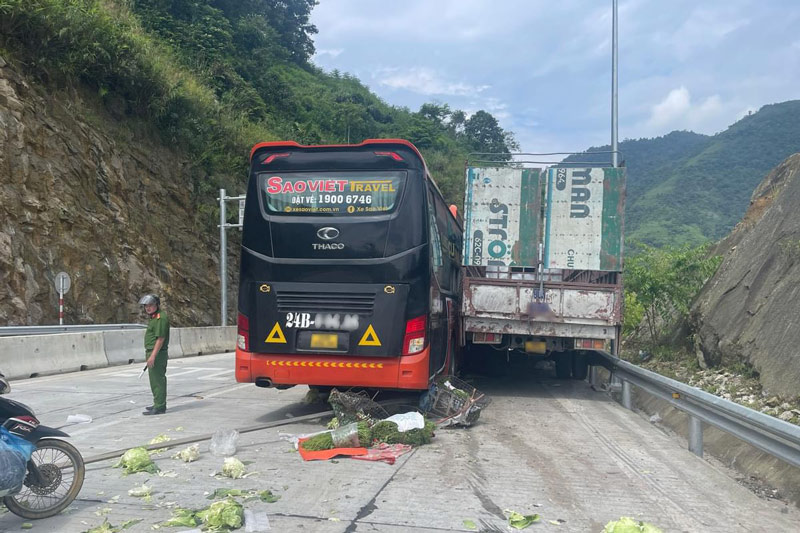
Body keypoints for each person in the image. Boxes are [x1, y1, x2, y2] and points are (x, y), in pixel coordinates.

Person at [139, 294, 170, 415]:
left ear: (156, 304)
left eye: (150, 305)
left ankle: (160, 406)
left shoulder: (160, 318)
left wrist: (153, 356)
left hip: (157, 353)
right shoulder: (154, 317)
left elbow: (160, 339)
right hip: (154, 352)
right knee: (154, 380)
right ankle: (157, 402)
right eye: (146, 306)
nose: (148, 308)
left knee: (158, 380)